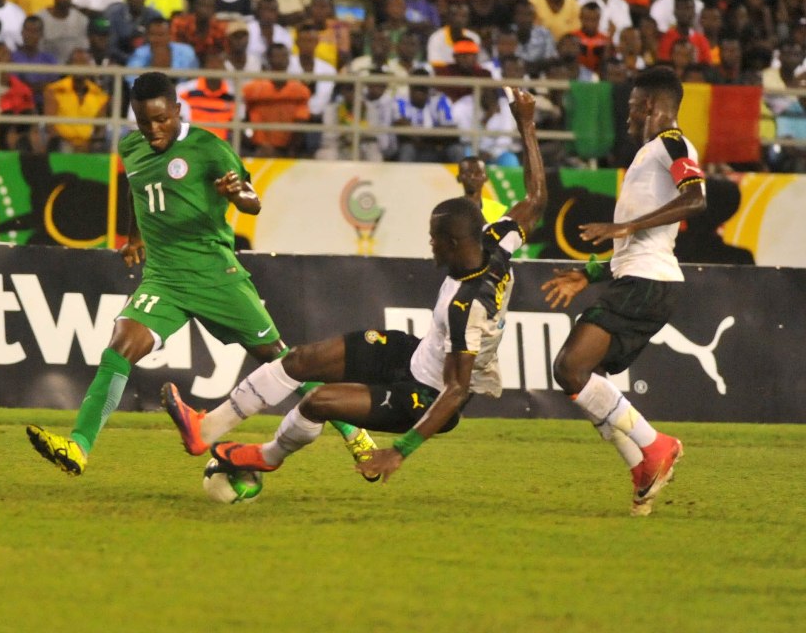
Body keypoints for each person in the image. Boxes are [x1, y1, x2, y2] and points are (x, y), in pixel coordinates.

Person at [164, 87, 545, 484]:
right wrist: (526, 127)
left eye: (434, 238)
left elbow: (455, 391)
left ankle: (266, 456)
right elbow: (535, 199)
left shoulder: (465, 307)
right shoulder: (496, 243)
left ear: (452, 243)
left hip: (422, 398)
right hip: (412, 355)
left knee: (317, 401)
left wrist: (398, 453)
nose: (429, 244)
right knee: (302, 360)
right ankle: (204, 429)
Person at [25, 72, 374, 475]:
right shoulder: (131, 147)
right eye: (144, 122)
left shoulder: (208, 148)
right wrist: (134, 237)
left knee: (285, 362)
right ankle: (78, 447)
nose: (153, 130)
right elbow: (136, 191)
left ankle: (356, 436)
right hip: (164, 278)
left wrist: (235, 194)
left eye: (161, 120)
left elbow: (253, 201)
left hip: (215, 276)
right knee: (119, 348)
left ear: (177, 110)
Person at [540, 66, 706, 516]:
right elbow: (631, 246)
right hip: (637, 279)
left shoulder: (672, 142)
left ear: (650, 105)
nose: (628, 117)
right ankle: (641, 467)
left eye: (632, 107)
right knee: (582, 378)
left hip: (649, 282)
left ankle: (656, 446)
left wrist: (627, 223)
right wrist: (588, 274)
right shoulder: (648, 155)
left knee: (571, 368)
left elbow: (696, 198)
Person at [457, 156, 508, 222]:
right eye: (468, 173)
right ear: (459, 178)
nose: (473, 177)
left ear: (486, 177)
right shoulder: (452, 209)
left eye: (478, 173)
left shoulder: (497, 210)